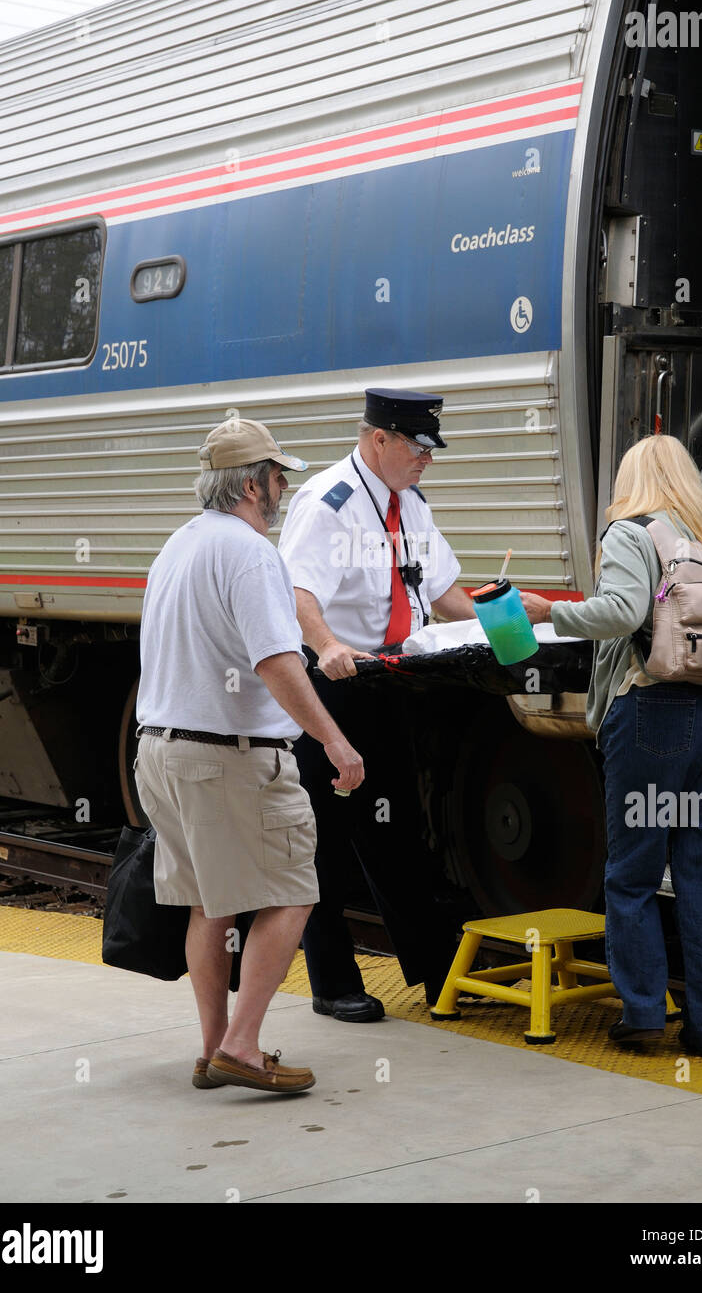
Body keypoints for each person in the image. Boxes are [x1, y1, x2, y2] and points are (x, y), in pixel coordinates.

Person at [134, 418, 364, 1092]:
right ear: (250, 484)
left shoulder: (177, 546)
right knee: (293, 890)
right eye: (277, 475)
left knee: (212, 901)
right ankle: (242, 1044)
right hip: (231, 759)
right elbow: (277, 663)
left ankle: (213, 1049)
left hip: (161, 752)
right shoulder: (251, 553)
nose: (284, 486)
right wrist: (333, 738)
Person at [523, 434, 702, 1058]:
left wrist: (552, 612)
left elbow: (623, 612)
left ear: (632, 482)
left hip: (656, 718)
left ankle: (645, 1016)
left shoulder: (632, 533)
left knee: (632, 876)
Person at [278, 388, 476, 1021]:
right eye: (417, 447)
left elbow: (444, 595)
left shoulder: (409, 504)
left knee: (397, 832)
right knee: (327, 841)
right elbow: (298, 593)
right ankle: (331, 982)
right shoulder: (328, 503)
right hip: (334, 686)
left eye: (430, 449)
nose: (427, 459)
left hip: (390, 684)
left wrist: (510, 615)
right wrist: (329, 644)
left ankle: (434, 974)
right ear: (379, 440)